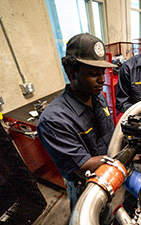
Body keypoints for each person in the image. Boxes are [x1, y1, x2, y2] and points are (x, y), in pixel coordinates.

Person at [37, 33, 116, 211]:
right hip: (85, 186)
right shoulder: (54, 121)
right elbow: (83, 167)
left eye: (102, 73)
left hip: (108, 174)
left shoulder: (98, 98)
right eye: (94, 74)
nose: (102, 80)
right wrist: (122, 156)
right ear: (72, 73)